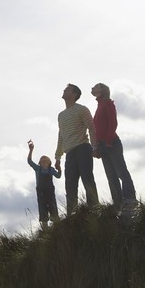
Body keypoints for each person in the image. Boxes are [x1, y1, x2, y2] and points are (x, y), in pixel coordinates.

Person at [55, 84, 100, 214]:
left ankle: (95, 210)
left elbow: (91, 128)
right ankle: (72, 214)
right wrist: (58, 156)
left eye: (67, 89)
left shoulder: (82, 109)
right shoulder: (61, 115)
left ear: (74, 94)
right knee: (70, 184)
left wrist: (94, 146)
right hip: (69, 153)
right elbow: (61, 135)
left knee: (87, 180)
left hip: (83, 149)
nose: (64, 90)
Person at [91, 82, 137, 207]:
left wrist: (108, 142)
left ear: (103, 90)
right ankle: (118, 203)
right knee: (111, 177)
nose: (92, 87)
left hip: (112, 143)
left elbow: (113, 123)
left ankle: (130, 199)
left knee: (121, 172)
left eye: (96, 86)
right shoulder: (99, 105)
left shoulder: (108, 103)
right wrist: (96, 146)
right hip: (102, 145)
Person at [27, 140, 60, 228]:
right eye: (42, 161)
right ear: (39, 163)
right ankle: (45, 228)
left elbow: (58, 176)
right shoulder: (37, 169)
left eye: (46, 160)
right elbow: (29, 161)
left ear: (49, 162)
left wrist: (59, 168)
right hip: (41, 191)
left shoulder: (51, 169)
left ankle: (57, 226)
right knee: (42, 208)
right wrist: (31, 150)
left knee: (53, 206)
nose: (44, 162)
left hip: (50, 190)